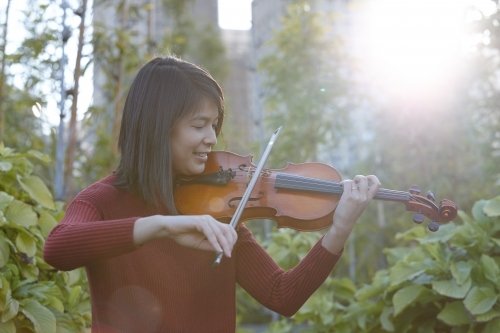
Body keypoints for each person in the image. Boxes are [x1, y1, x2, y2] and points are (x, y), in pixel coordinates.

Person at [43, 56, 381, 333]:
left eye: (214, 125)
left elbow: (282, 295)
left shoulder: (217, 208)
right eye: (198, 125)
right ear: (159, 127)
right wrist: (161, 225)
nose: (212, 139)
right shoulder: (101, 200)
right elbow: (58, 247)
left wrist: (339, 229)